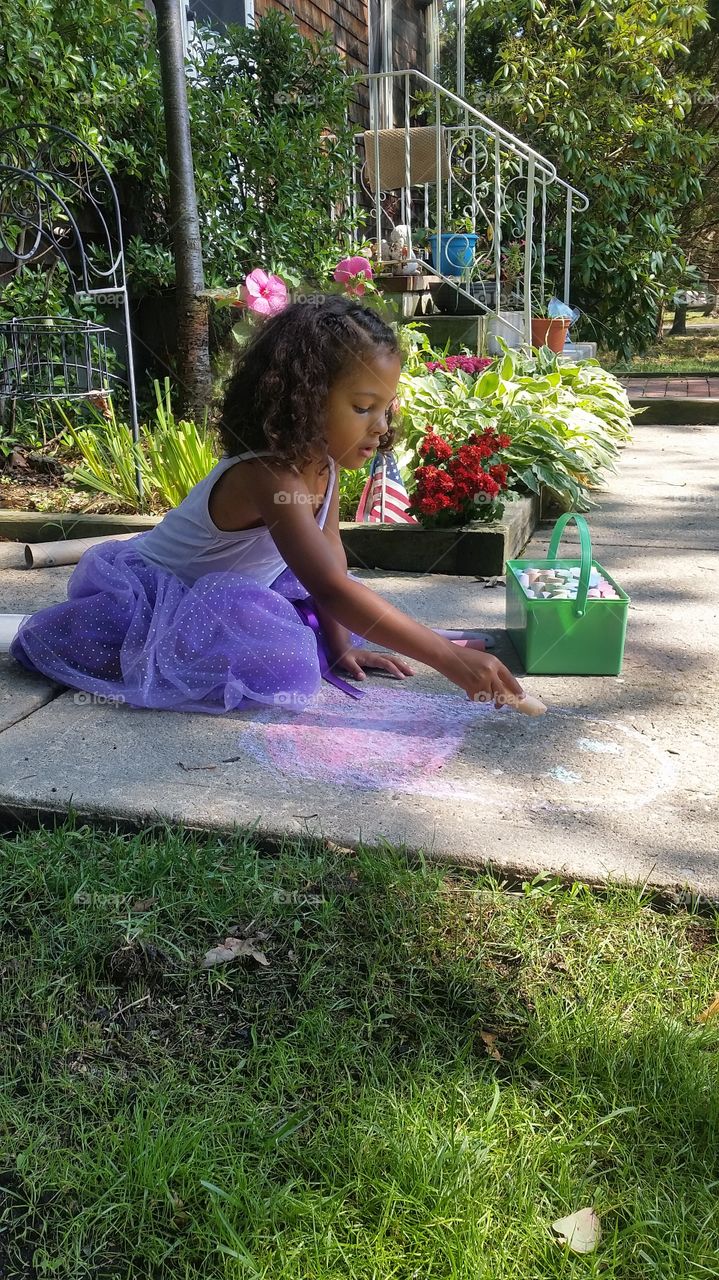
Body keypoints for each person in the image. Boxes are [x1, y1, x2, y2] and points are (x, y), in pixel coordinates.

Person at [9, 295, 525, 715]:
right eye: (363, 407)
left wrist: (341, 647)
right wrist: (448, 660)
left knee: (301, 631)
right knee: (282, 659)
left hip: (221, 592)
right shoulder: (268, 473)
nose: (380, 427)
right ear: (304, 398)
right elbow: (329, 587)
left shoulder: (324, 465)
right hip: (152, 598)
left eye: (386, 409)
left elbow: (331, 567)